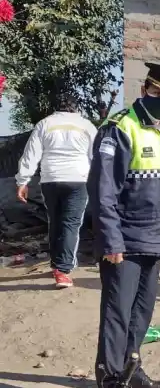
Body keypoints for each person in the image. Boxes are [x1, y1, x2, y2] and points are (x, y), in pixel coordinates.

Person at [88, 63, 160, 388]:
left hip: (155, 237)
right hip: (125, 239)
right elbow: (102, 190)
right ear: (146, 90)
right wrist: (110, 240)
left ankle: (131, 371)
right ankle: (111, 387)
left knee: (141, 313)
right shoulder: (119, 128)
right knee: (117, 314)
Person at [15, 95, 97, 289]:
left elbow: (31, 154)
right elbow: (96, 155)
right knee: (71, 224)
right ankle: (63, 270)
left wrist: (23, 181)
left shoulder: (45, 124)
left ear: (56, 108)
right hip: (78, 180)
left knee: (55, 221)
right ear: (76, 108)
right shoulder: (86, 125)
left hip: (50, 180)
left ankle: (57, 264)